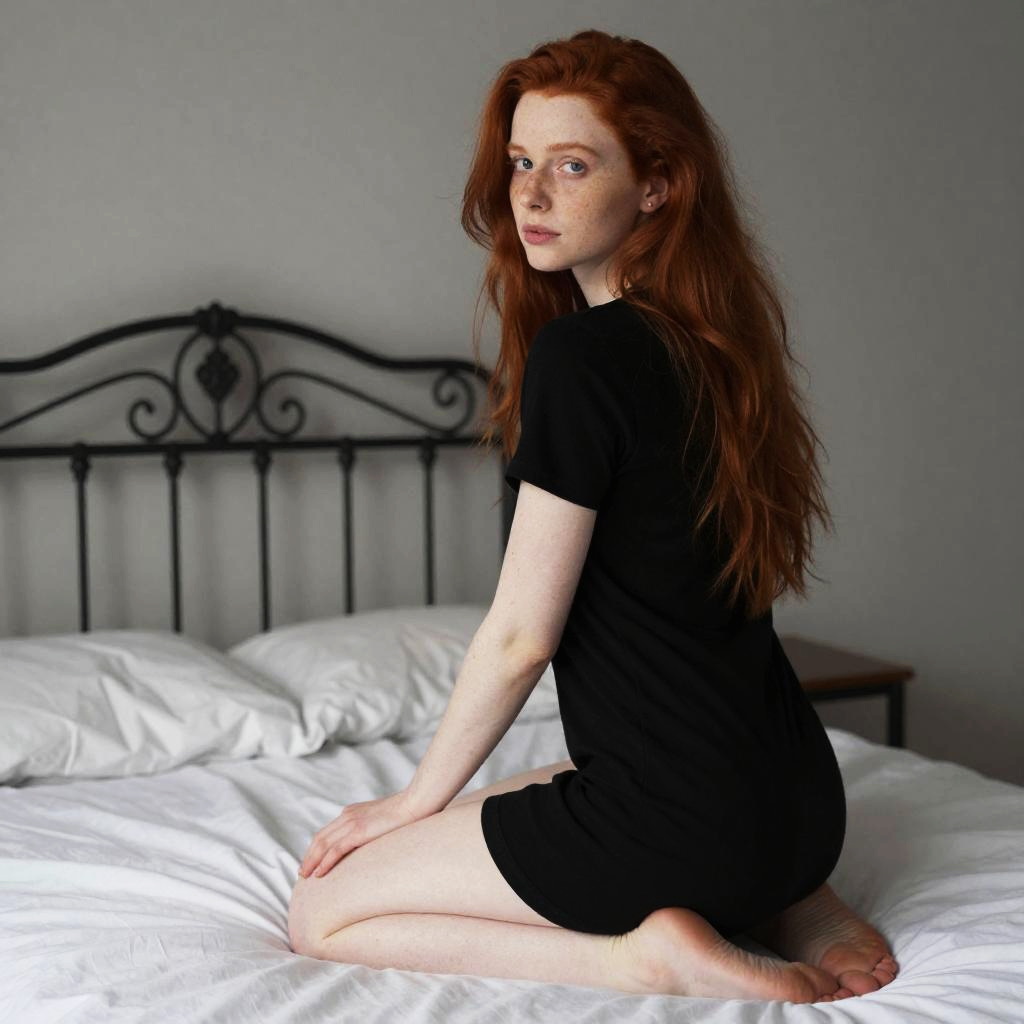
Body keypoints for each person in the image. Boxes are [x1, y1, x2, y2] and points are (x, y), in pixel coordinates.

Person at [287, 29, 900, 1002]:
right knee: (533, 786)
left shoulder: (584, 359)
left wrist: (412, 799)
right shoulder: (716, 349)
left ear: (657, 183)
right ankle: (792, 898)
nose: (528, 194)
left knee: (324, 913)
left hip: (681, 832)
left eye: (571, 166)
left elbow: (520, 636)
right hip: (798, 803)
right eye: (520, 163)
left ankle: (642, 955)